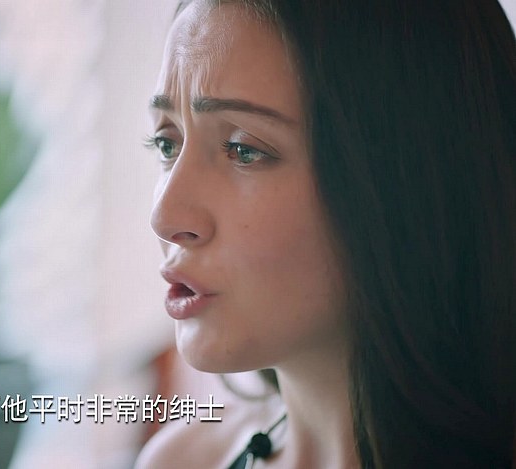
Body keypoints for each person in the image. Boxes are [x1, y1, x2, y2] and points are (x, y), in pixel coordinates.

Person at [136, 0, 516, 467]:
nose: (165, 217)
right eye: (167, 142)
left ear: (409, 179)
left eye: (243, 150)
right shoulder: (181, 460)